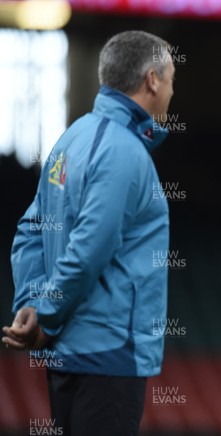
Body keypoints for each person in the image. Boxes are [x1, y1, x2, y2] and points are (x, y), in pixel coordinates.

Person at [2, 30, 175, 436]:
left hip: (70, 356)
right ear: (152, 80)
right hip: (109, 355)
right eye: (171, 80)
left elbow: (31, 228)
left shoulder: (71, 138)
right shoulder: (125, 152)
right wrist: (45, 314)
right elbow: (90, 248)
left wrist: (31, 300)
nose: (171, 92)